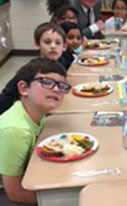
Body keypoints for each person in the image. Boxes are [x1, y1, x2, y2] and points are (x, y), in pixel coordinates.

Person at [0, 58, 70, 205]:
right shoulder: (16, 130)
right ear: (24, 88)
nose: (56, 89)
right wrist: (60, 201)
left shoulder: (36, 113)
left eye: (62, 86)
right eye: (46, 82)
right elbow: (14, 193)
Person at [0, 22, 67, 115]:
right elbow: (7, 96)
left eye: (57, 43)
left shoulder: (60, 63)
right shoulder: (31, 70)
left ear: (64, 47)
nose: (53, 46)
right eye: (47, 42)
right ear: (37, 45)